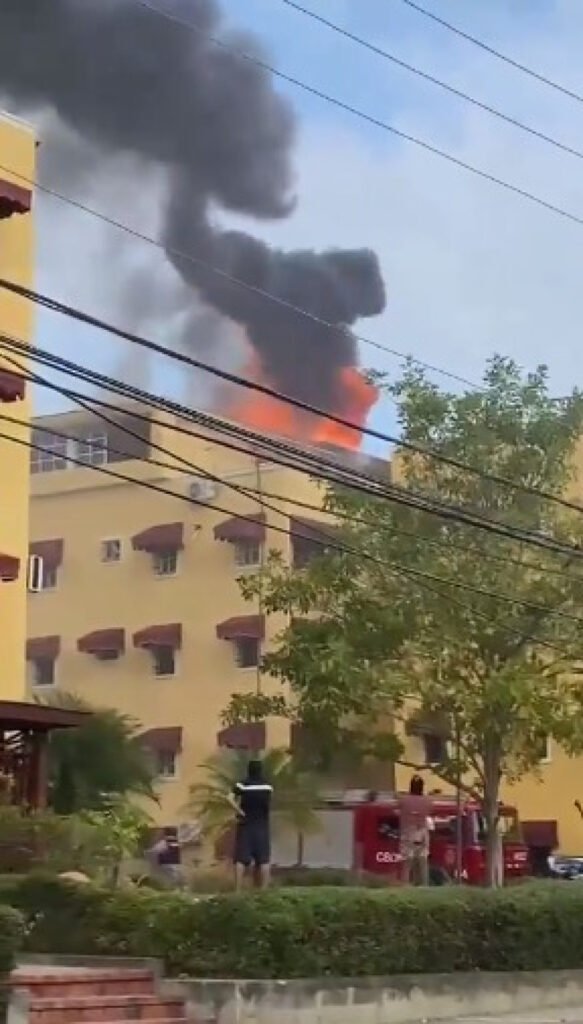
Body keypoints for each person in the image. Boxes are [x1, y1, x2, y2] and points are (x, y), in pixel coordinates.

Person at [231, 758, 273, 890]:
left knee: (241, 859)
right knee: (264, 859)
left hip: (246, 824)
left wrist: (239, 810)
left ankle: (237, 890)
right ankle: (264, 890)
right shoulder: (267, 786)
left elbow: (229, 797)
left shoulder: (242, 784)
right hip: (262, 825)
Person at [399, 774, 434, 886]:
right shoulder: (427, 801)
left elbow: (398, 808)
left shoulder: (404, 800)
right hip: (422, 832)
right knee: (423, 862)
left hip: (408, 832)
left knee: (407, 864)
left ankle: (405, 886)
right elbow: (430, 810)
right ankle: (424, 886)